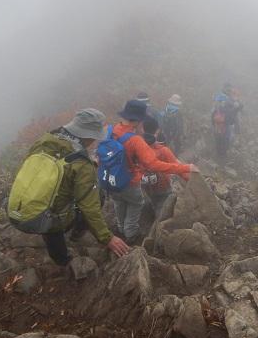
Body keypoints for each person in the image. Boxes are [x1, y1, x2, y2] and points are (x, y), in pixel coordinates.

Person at [12, 109, 130, 266]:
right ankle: (67, 256)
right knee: (95, 196)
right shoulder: (81, 164)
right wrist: (107, 238)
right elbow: (90, 207)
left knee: (54, 201)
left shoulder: (44, 141)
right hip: (42, 220)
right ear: (88, 135)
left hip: (17, 210)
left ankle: (58, 254)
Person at [105, 99, 197, 242]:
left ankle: (121, 229)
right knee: (138, 205)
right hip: (140, 186)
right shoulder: (139, 142)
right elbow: (154, 164)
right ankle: (132, 237)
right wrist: (188, 170)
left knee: (120, 204)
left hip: (115, 180)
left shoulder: (113, 131)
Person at [140, 116, 181, 221]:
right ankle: (158, 228)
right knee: (162, 210)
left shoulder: (136, 146)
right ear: (157, 130)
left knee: (150, 203)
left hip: (143, 185)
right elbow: (177, 166)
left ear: (142, 129)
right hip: (162, 186)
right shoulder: (163, 150)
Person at [212, 83, 243, 159]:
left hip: (218, 124)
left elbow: (212, 116)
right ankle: (222, 156)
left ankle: (219, 155)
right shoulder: (227, 104)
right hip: (225, 124)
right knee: (225, 139)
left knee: (219, 138)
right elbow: (232, 115)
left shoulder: (217, 106)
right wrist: (236, 107)